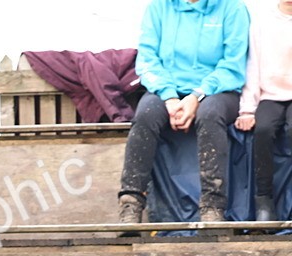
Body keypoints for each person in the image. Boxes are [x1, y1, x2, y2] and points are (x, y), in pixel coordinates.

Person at [118, 0, 250, 225]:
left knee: (209, 114)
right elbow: (148, 60)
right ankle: (131, 203)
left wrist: (197, 95)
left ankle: (213, 205)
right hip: (167, 89)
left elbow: (232, 64)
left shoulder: (233, 8)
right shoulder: (158, 8)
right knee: (145, 114)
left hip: (217, 89)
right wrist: (169, 96)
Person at [234, 0, 292, 222]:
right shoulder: (261, 21)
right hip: (271, 95)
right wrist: (247, 109)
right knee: (264, 130)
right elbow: (253, 65)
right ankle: (264, 201)